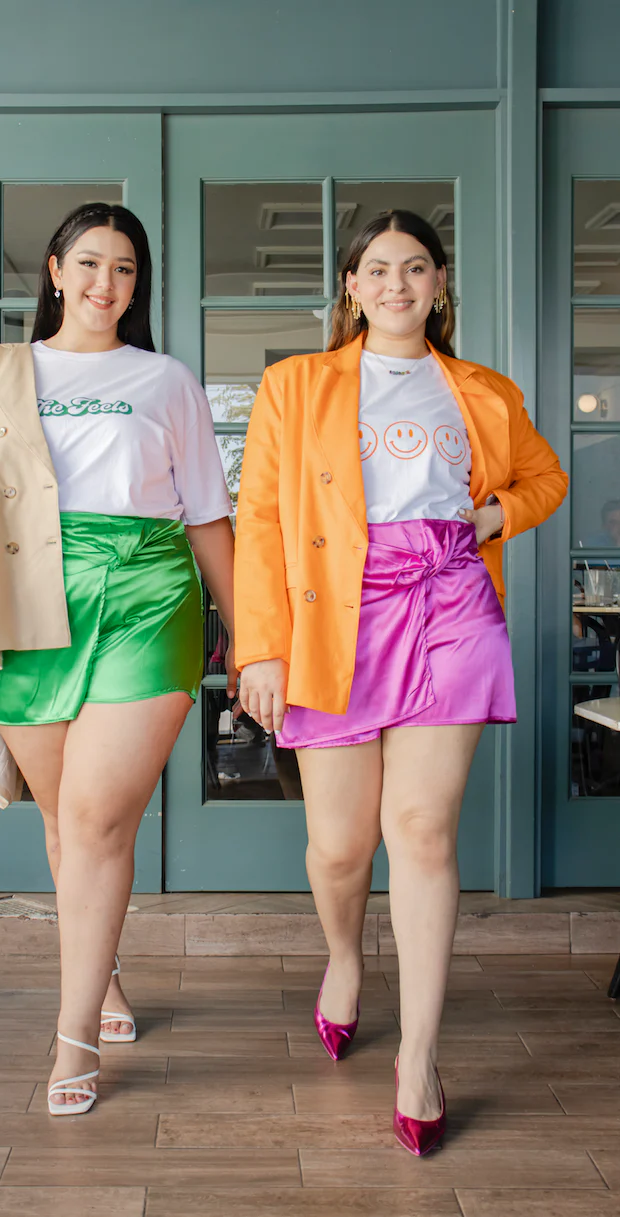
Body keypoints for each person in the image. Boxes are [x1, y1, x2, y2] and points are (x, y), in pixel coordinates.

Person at [234, 209, 567, 1155]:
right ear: (351, 286)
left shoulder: (483, 390)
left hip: (451, 600)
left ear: (439, 283)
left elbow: (544, 477)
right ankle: (345, 957)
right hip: (334, 611)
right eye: (377, 268)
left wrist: (495, 517)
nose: (396, 284)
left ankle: (419, 1056)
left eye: (415, 267)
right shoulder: (295, 385)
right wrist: (261, 647)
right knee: (341, 847)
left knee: (420, 830)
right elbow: (259, 517)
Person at [0, 203, 236, 1116]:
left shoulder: (166, 380)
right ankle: (107, 973)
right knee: (64, 822)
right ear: (55, 270)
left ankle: (73, 1036)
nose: (106, 282)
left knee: (96, 820)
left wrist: (253, 635)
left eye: (124, 268)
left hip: (146, 595)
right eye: (90, 262)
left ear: (139, 285)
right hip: (27, 601)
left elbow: (209, 518)